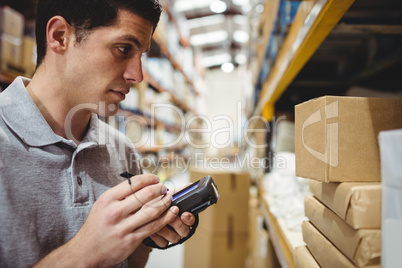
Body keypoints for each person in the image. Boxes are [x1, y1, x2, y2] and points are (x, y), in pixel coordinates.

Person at [0, 0, 196, 267]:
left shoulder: (122, 150)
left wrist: (146, 234)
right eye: (123, 49)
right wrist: (85, 251)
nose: (137, 75)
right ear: (60, 36)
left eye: (142, 55)